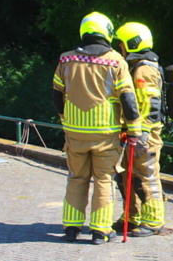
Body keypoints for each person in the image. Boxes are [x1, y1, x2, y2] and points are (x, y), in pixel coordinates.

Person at [52, 13, 140, 245]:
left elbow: (57, 95)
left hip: (75, 133)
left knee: (76, 178)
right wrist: (134, 131)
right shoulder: (116, 61)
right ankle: (100, 231)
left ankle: (71, 227)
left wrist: (64, 119)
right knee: (104, 180)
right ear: (107, 32)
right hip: (106, 134)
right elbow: (128, 100)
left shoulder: (65, 60)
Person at [112, 22, 166, 237]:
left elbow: (149, 104)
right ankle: (131, 216)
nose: (120, 48)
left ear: (131, 43)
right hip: (132, 132)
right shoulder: (135, 66)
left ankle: (153, 221)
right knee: (127, 175)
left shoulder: (144, 69)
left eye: (122, 44)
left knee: (146, 176)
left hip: (145, 135)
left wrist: (141, 133)